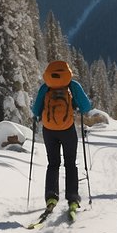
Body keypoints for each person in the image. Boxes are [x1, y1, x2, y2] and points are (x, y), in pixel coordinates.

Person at [31, 60, 93, 215]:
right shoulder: (72, 85)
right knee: (70, 163)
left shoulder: (46, 87)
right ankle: (72, 198)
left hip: (49, 130)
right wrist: (75, 106)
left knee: (53, 164)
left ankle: (51, 197)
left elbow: (35, 110)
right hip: (67, 129)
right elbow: (86, 107)